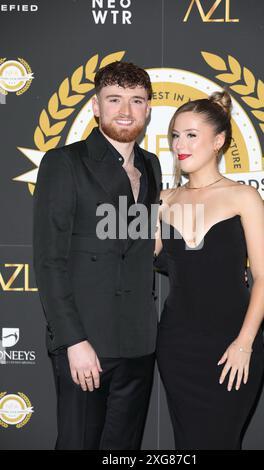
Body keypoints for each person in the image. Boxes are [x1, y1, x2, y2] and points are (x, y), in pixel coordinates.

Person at [33, 61, 162, 450]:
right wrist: (74, 341)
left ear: (148, 110)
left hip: (139, 343)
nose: (126, 110)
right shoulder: (64, 163)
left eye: (137, 100)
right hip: (86, 344)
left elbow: (142, 247)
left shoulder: (150, 165)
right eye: (115, 99)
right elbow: (49, 261)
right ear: (95, 106)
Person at [154, 90, 264, 450]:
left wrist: (245, 342)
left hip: (232, 346)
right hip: (177, 348)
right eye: (176, 135)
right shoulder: (161, 201)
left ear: (219, 141)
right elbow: (133, 260)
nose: (180, 144)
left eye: (192, 135)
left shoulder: (243, 197)